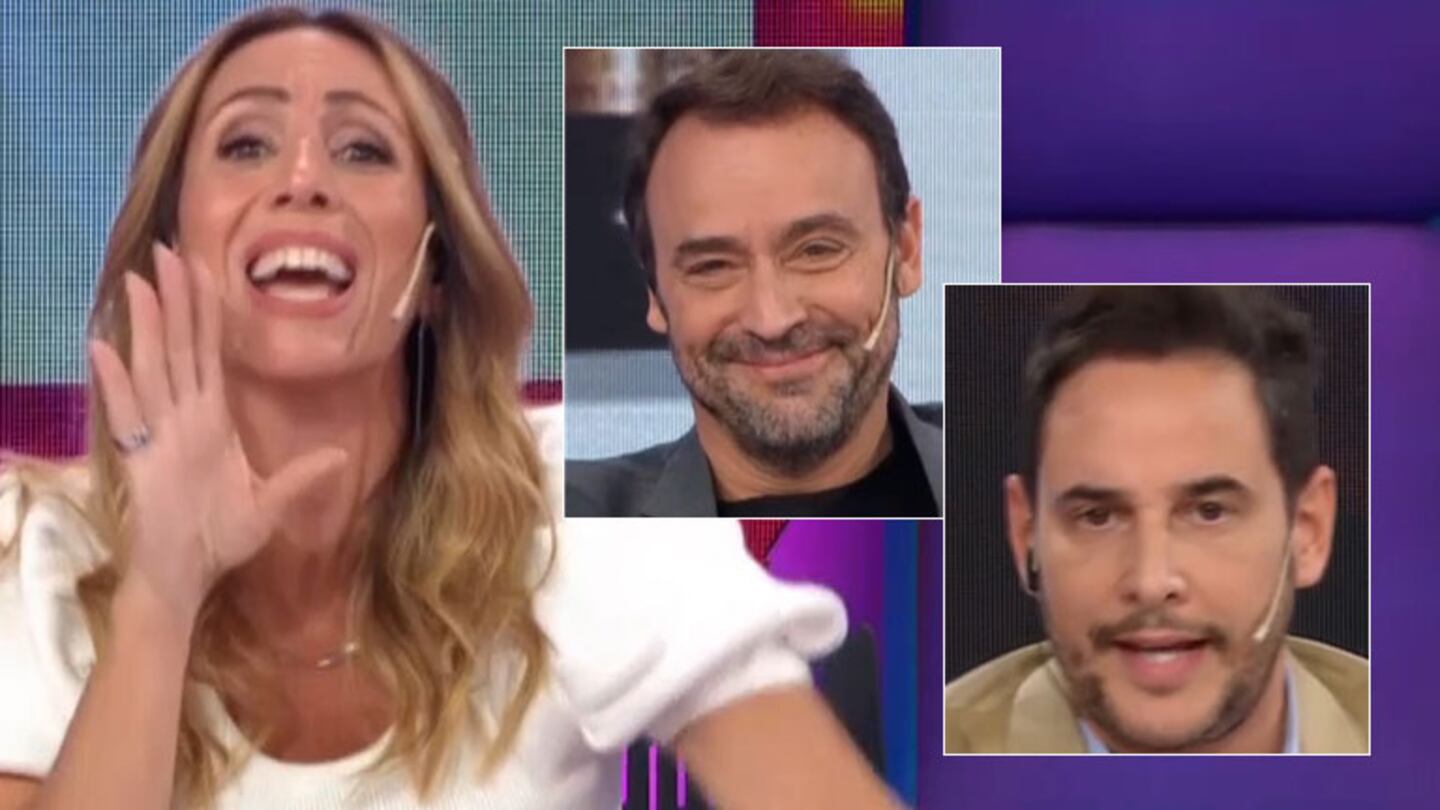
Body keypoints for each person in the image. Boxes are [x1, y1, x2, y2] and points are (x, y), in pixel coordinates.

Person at [0, 9, 905, 809]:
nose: (304, 178)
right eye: (245, 145)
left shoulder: (582, 502)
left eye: (363, 149)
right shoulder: (33, 548)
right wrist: (162, 592)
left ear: (434, 267)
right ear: (168, 245)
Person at [943, 286, 1368, 754]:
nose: (1150, 582)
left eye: (1209, 512)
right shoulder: (909, 768)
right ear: (1027, 534)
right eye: (1097, 517)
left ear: (1308, 530)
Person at [565, 50, 942, 518]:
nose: (772, 320)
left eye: (817, 251)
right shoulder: (557, 523)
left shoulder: (1005, 471)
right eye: (713, 267)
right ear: (654, 291)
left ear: (906, 250)